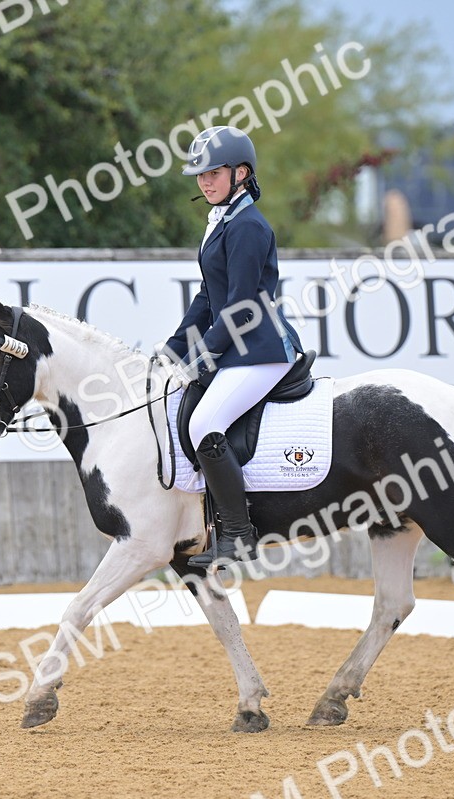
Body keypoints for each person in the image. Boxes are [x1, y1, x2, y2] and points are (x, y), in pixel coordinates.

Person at [156, 126, 303, 569]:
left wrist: (203, 357)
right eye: (199, 175)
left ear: (241, 173)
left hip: (262, 350)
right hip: (238, 348)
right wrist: (173, 351)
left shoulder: (248, 227)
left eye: (213, 172)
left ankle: (238, 534)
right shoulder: (222, 221)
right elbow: (208, 298)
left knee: (204, 423)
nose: (204, 182)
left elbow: (239, 306)